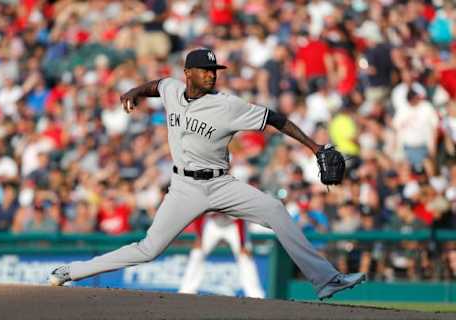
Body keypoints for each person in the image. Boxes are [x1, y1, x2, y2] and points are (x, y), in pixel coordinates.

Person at [49, 48, 365, 300]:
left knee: (275, 209)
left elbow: (276, 119)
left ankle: (325, 280)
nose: (212, 75)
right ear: (188, 74)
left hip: (220, 183)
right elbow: (157, 85)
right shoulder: (172, 89)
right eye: (205, 70)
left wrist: (314, 146)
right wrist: (134, 90)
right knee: (148, 250)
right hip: (183, 186)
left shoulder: (228, 105)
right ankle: (71, 272)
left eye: (214, 70)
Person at [179, 213, 265, 298]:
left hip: (233, 225)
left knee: (245, 257)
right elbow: (199, 213)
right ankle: (186, 291)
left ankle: (255, 295)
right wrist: (199, 236)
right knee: (197, 253)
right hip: (213, 223)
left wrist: (242, 244)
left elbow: (240, 218)